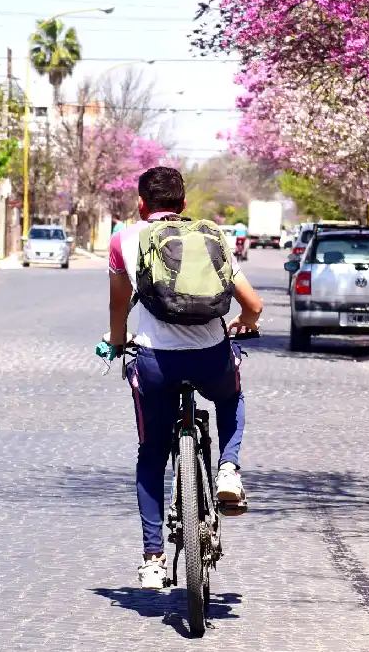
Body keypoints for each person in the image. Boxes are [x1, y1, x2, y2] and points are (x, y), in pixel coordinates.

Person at [107, 167, 264, 590]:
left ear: (141, 204)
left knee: (151, 455)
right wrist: (243, 323)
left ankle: (153, 558)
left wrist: (118, 341)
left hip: (156, 363)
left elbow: (119, 305)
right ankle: (228, 469)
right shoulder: (210, 236)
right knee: (230, 399)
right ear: (183, 205)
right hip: (210, 356)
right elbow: (252, 303)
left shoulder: (125, 238)